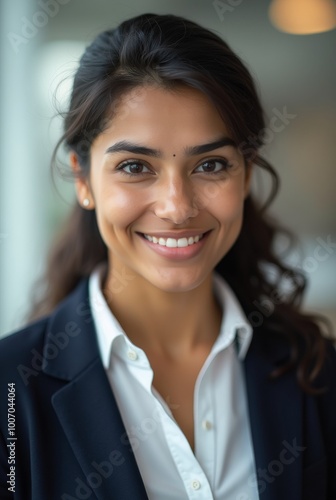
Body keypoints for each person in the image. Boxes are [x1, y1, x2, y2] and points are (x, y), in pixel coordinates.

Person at [0, 13, 335, 500]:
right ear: (83, 179)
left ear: (245, 176)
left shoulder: (317, 374)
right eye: (135, 166)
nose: (177, 207)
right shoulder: (11, 391)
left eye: (211, 165)